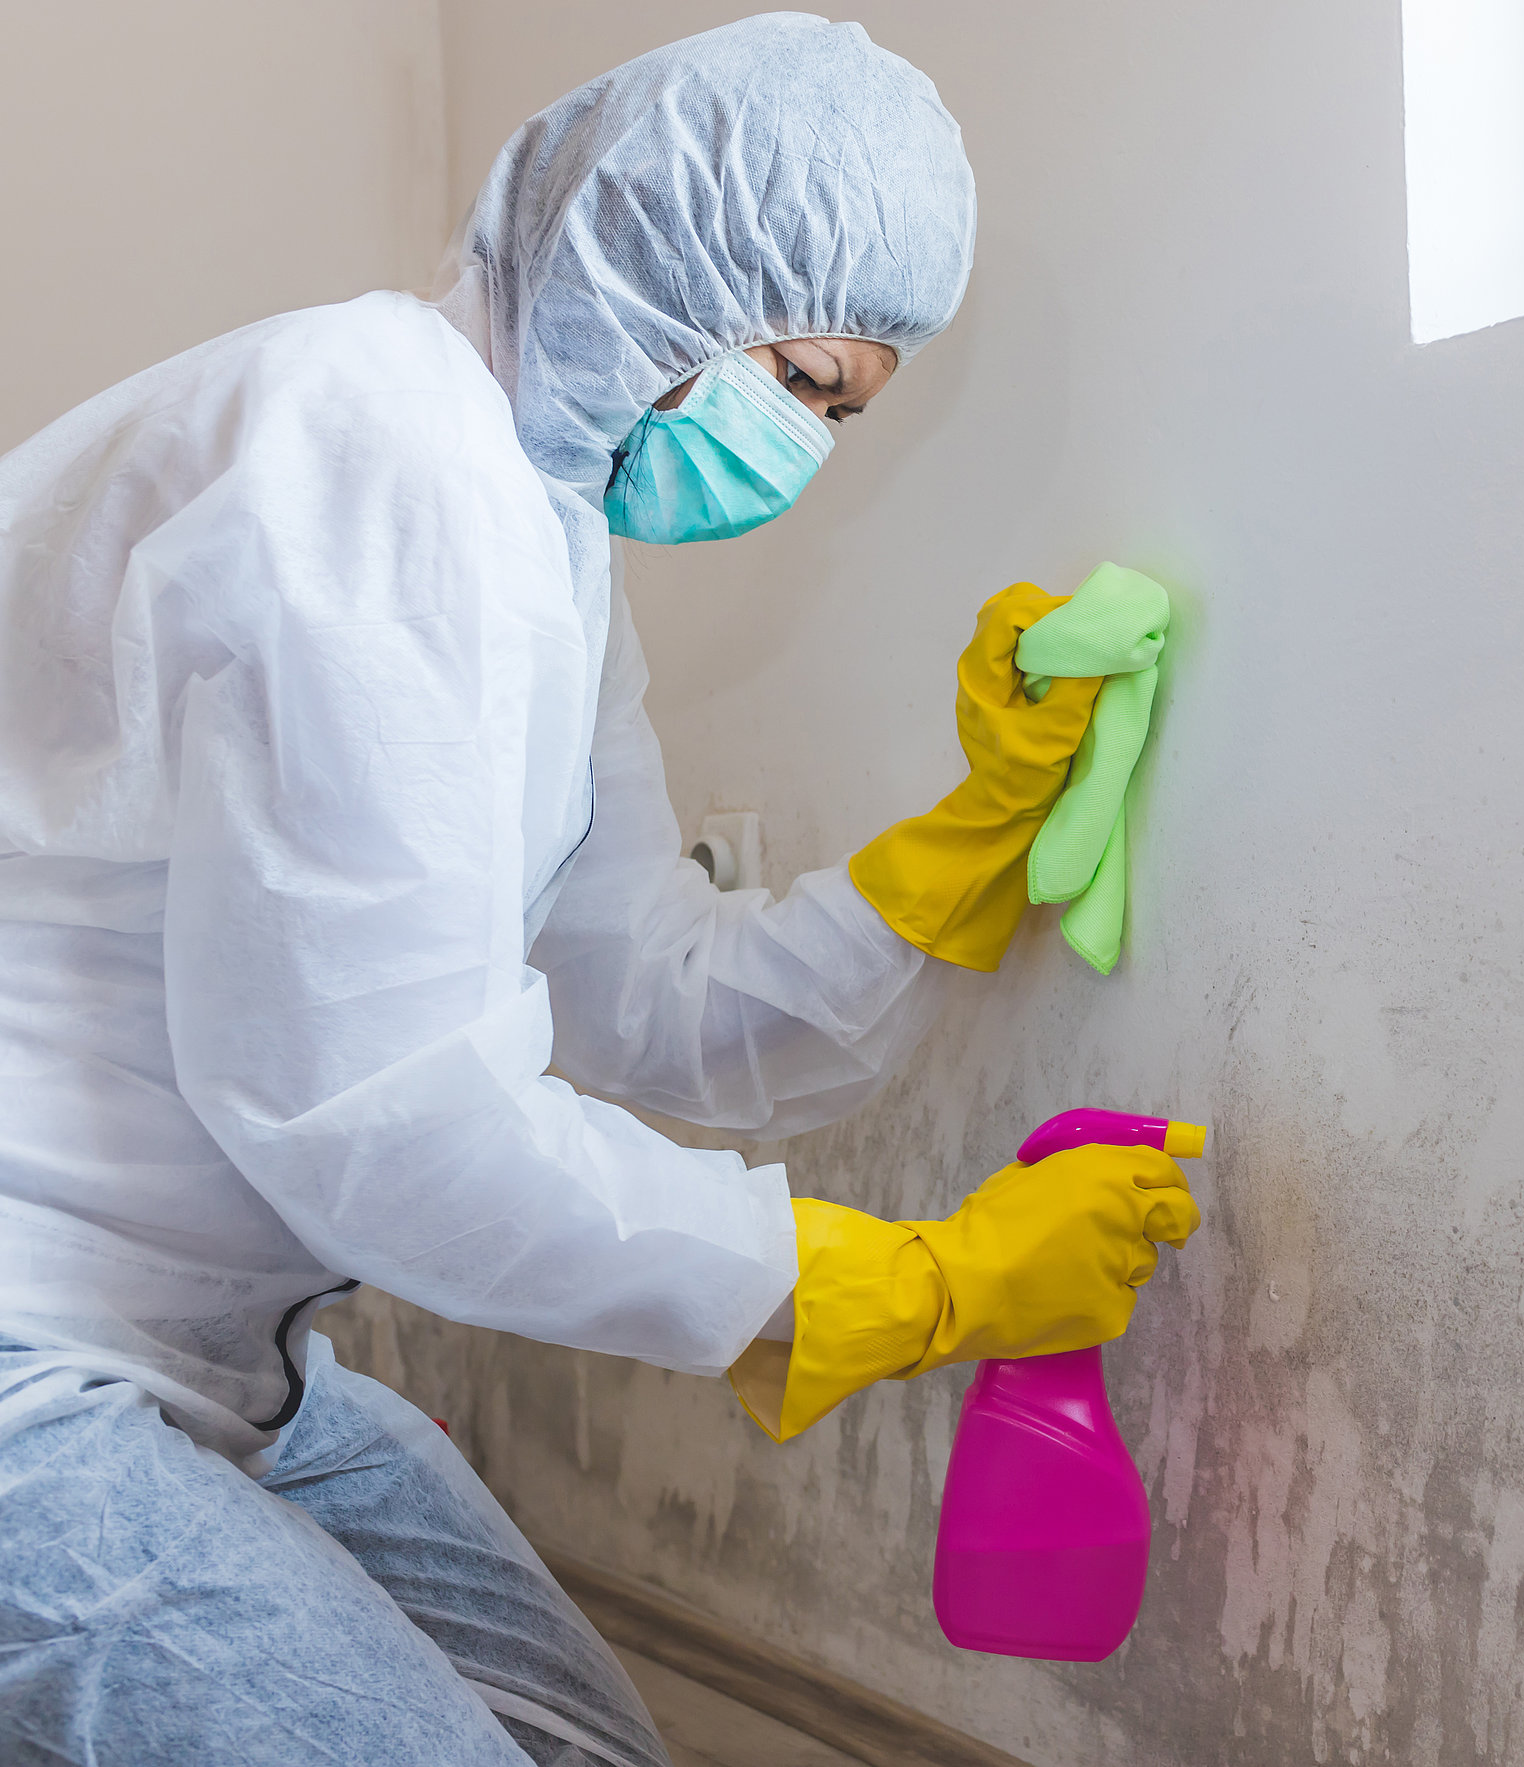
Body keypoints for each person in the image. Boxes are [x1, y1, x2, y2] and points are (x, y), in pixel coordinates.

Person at [0, 16, 1195, 1765]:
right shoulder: (376, 446)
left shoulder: (540, 537)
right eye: (800, 389)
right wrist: (909, 1285)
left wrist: (978, 833)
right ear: (664, 257)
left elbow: (653, 997)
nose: (801, 458)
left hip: (214, 1357)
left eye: (839, 425)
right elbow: (383, 1123)